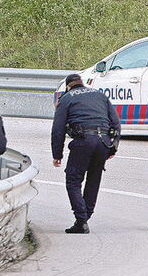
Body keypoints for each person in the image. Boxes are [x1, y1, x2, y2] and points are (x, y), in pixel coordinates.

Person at [51, 73, 121, 234]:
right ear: (82, 83)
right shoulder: (100, 95)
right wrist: (113, 147)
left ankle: (81, 220)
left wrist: (57, 154)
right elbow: (116, 122)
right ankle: (85, 216)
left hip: (83, 140)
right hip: (103, 141)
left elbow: (58, 129)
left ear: (68, 86)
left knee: (73, 180)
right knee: (93, 179)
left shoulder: (67, 98)